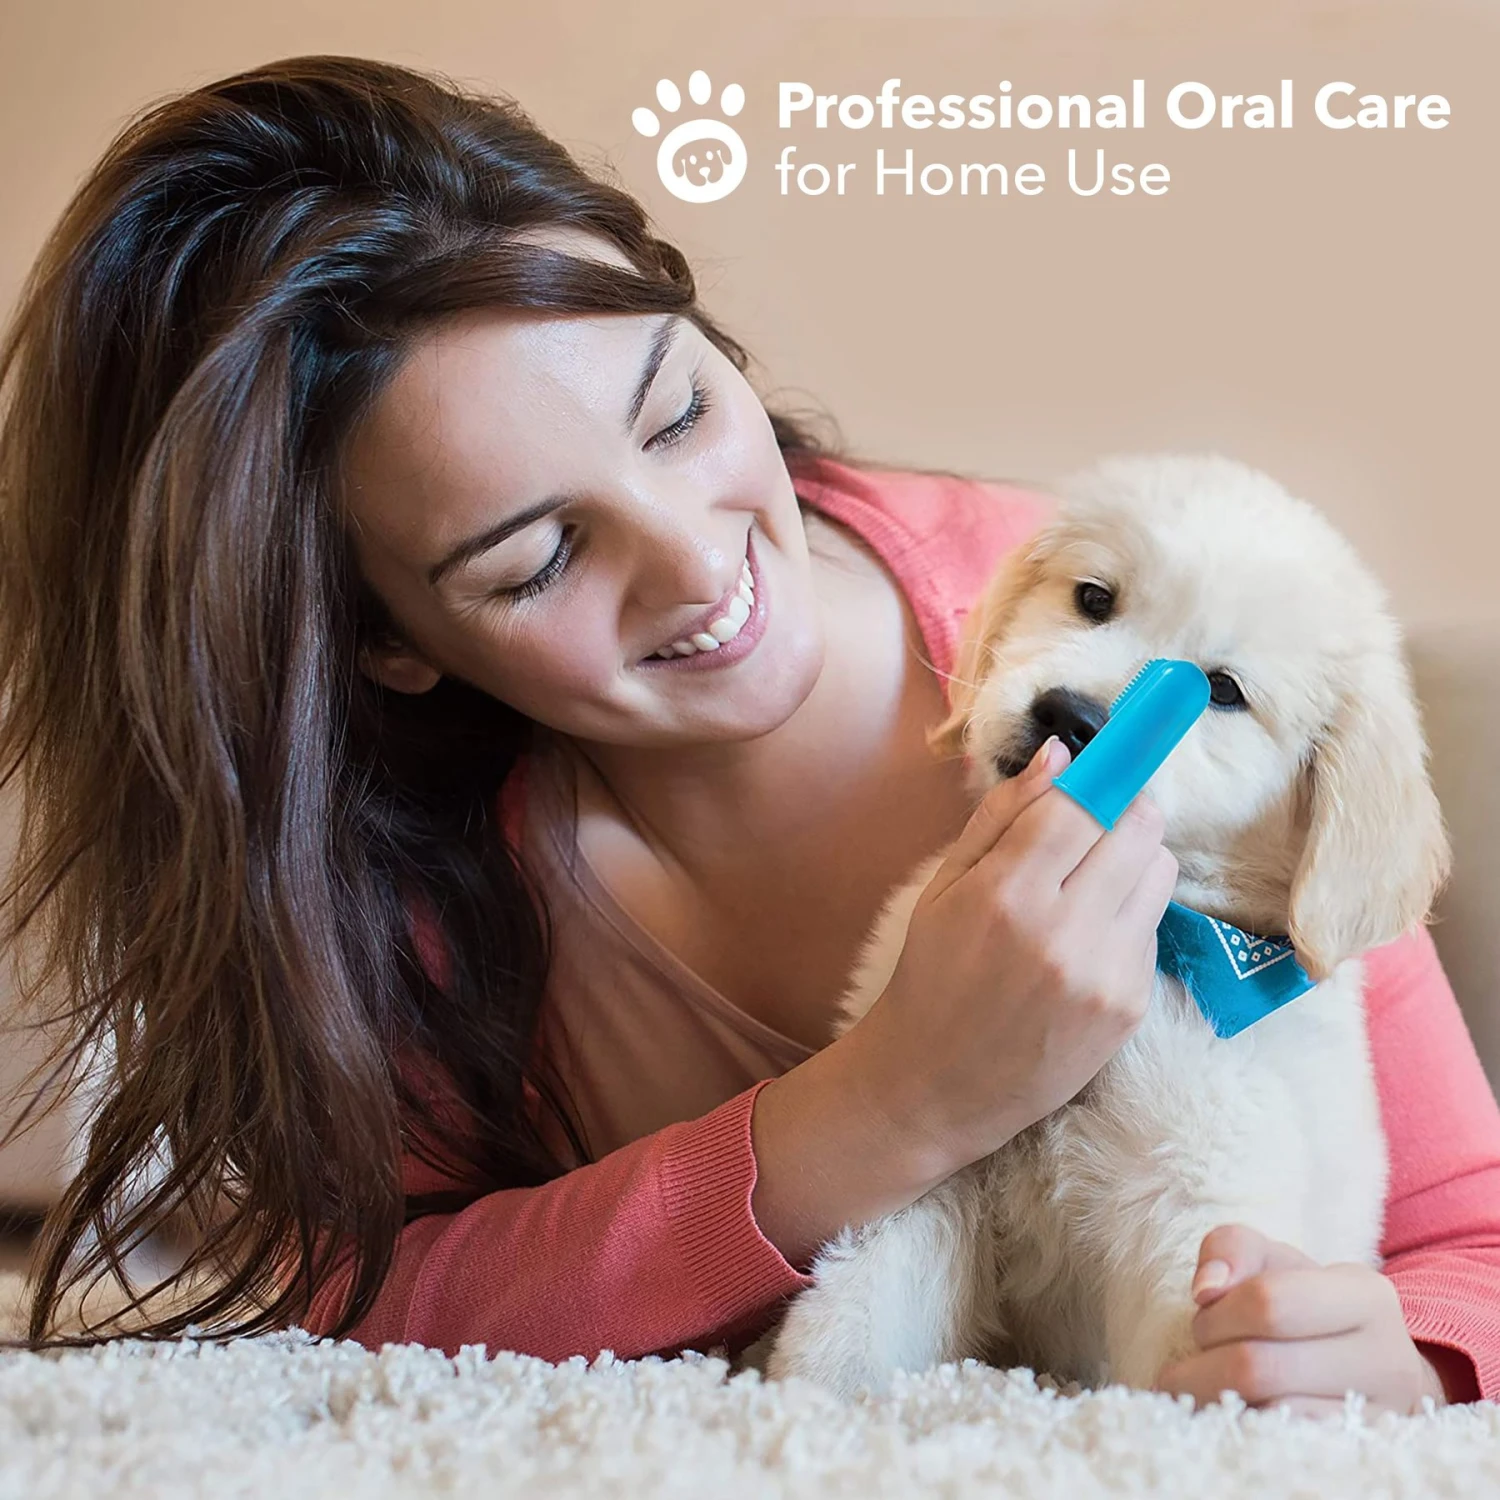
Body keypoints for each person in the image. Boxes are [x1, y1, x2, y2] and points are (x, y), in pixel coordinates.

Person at [0, 55, 1495, 1418]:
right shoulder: (402, 871)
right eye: (537, 559)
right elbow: (350, 1294)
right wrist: (878, 1109)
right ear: (384, 641)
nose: (697, 559)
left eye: (675, 414)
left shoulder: (1110, 609)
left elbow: (1468, 1239)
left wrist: (1406, 1357)